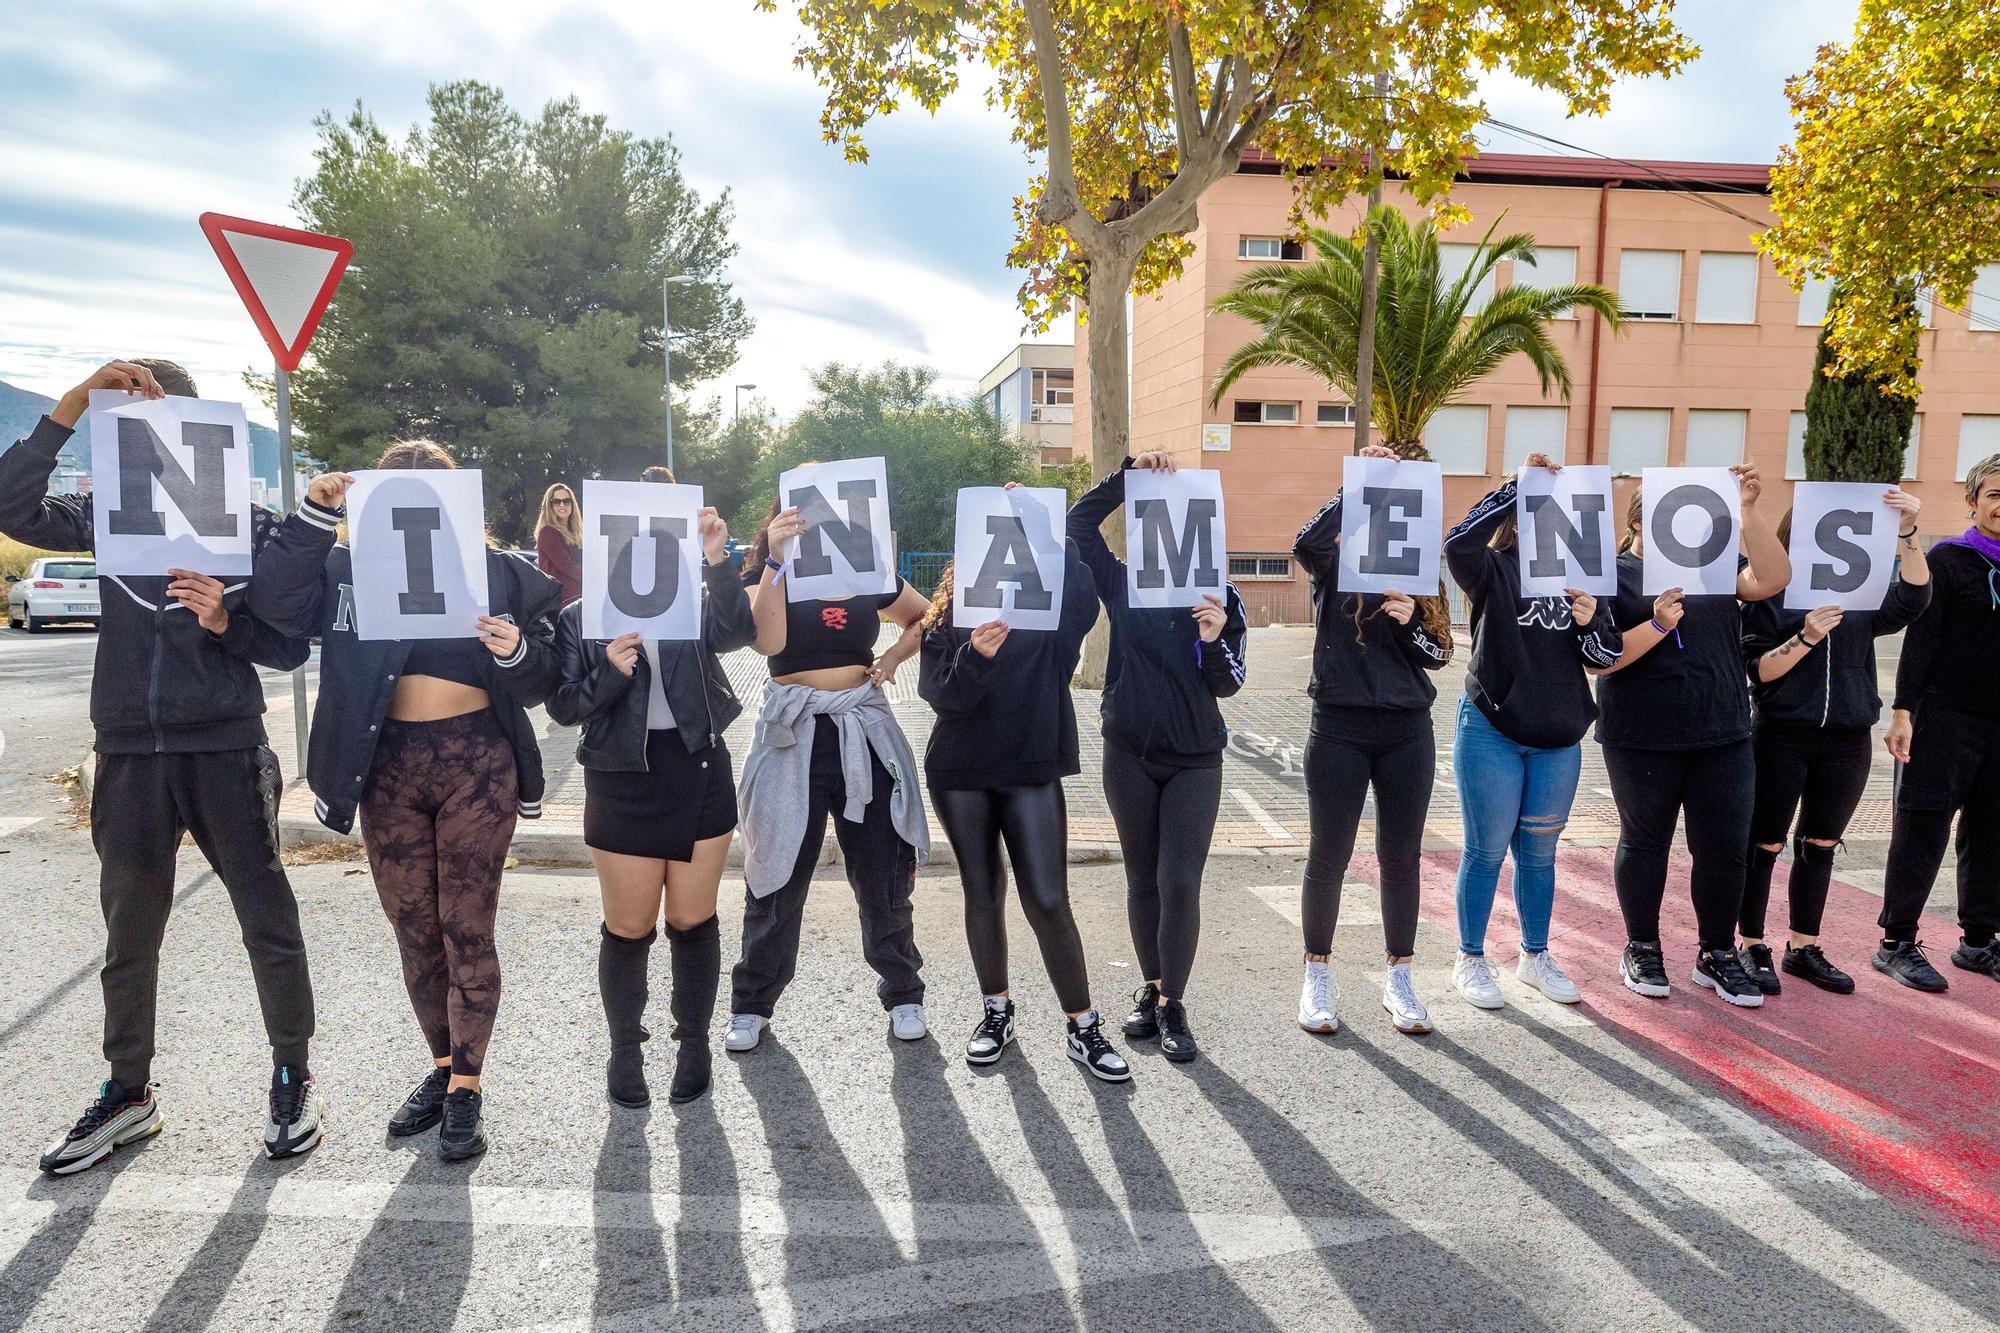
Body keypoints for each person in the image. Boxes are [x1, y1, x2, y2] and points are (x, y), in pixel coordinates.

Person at [3, 360, 324, 1174]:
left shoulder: (245, 525)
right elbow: (9, 505)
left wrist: (224, 621)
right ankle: (129, 1093)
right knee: (129, 932)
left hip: (223, 743)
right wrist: (71, 405)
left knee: (267, 922)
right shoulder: (105, 514)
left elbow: (288, 643)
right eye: (119, 419)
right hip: (128, 749)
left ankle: (293, 1075)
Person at [249, 442, 562, 1162]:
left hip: (476, 763)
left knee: (466, 925)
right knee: (415, 928)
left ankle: (468, 1088)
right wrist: (315, 515)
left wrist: (516, 650)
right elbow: (276, 605)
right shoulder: (344, 567)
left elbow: (547, 676)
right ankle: (446, 1065)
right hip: (384, 766)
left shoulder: (499, 572)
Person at [546, 469, 754, 1107]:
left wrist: (719, 558)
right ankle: (625, 1049)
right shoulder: (582, 616)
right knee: (629, 927)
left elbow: (739, 632)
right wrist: (609, 673)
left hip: (696, 767)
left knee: (693, 921)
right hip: (620, 778)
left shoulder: (690, 600)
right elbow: (563, 706)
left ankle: (692, 1043)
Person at [724, 489, 933, 1051]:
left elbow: (924, 617)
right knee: (776, 867)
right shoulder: (768, 572)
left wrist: (891, 659)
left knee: (882, 867)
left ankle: (903, 992)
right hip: (792, 733)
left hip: (862, 727)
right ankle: (752, 1002)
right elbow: (766, 640)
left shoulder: (864, 566)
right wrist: (774, 558)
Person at [917, 540, 1131, 1081]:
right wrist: (975, 655)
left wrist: (1051, 532)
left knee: (1048, 899)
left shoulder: (1050, 616)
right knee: (983, 891)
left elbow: (1084, 595)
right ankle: (996, 1013)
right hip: (960, 771)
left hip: (1031, 769)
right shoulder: (947, 620)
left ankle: (1082, 1025)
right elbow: (939, 695)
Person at [1066, 451, 1248, 1064]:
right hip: (1129, 753)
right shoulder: (1122, 581)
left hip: (1196, 759)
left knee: (1178, 882)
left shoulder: (1220, 594)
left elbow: (1228, 685)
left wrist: (1215, 638)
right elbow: (1076, 526)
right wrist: (1129, 476)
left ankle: (1175, 1004)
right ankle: (1150, 988)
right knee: (1142, 878)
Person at [1591, 467, 1790, 1008]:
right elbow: (1600, 664)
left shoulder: (1717, 568)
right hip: (1640, 735)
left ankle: (1717, 953)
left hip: (1723, 731)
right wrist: (1656, 625)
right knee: (1645, 844)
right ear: (1637, 522)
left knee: (1724, 851)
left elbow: (1772, 579)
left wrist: (1748, 508)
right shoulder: (1612, 573)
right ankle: (1642, 947)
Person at [1442, 456, 1623, 1011]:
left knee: (1540, 857)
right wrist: (1515, 486)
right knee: (1486, 850)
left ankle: (1534, 955)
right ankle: (1469, 958)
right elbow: (1456, 545)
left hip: (1558, 738)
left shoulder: (1587, 578)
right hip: (1492, 730)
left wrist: (1591, 619)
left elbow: (1607, 656)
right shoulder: (1493, 567)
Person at [1738, 489, 1929, 994]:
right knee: (1764, 843)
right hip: (1781, 734)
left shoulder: (1859, 593)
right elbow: (1757, 667)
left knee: (1820, 844)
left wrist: (1908, 532)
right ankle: (1751, 944)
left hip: (1847, 740)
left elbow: (1913, 598)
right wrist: (1804, 638)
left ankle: (1803, 947)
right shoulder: (1769, 588)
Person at [1289, 445, 1451, 1035]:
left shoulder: (1423, 574)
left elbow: (1439, 656)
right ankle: (1317, 975)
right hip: (1338, 724)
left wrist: (1412, 624)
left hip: (1408, 730)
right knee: (1328, 853)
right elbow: (1303, 542)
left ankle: (1400, 978)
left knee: (1400, 855)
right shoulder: (1336, 559)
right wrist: (1353, 486)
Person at [1875, 454, 2000, 992]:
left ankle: (1978, 942)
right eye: (1994, 493)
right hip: (1944, 718)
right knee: (1922, 828)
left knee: (1994, 832)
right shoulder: (1950, 560)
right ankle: (1896, 941)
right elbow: (1920, 642)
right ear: (1972, 501)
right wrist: (1904, 711)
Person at [535, 482, 584, 607]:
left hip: (577, 599)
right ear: (549, 505)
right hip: (561, 602)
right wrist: (594, 576)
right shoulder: (548, 532)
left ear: (572, 504)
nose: (562, 505)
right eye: (556, 501)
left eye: (566, 501)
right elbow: (566, 566)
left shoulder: (576, 534)